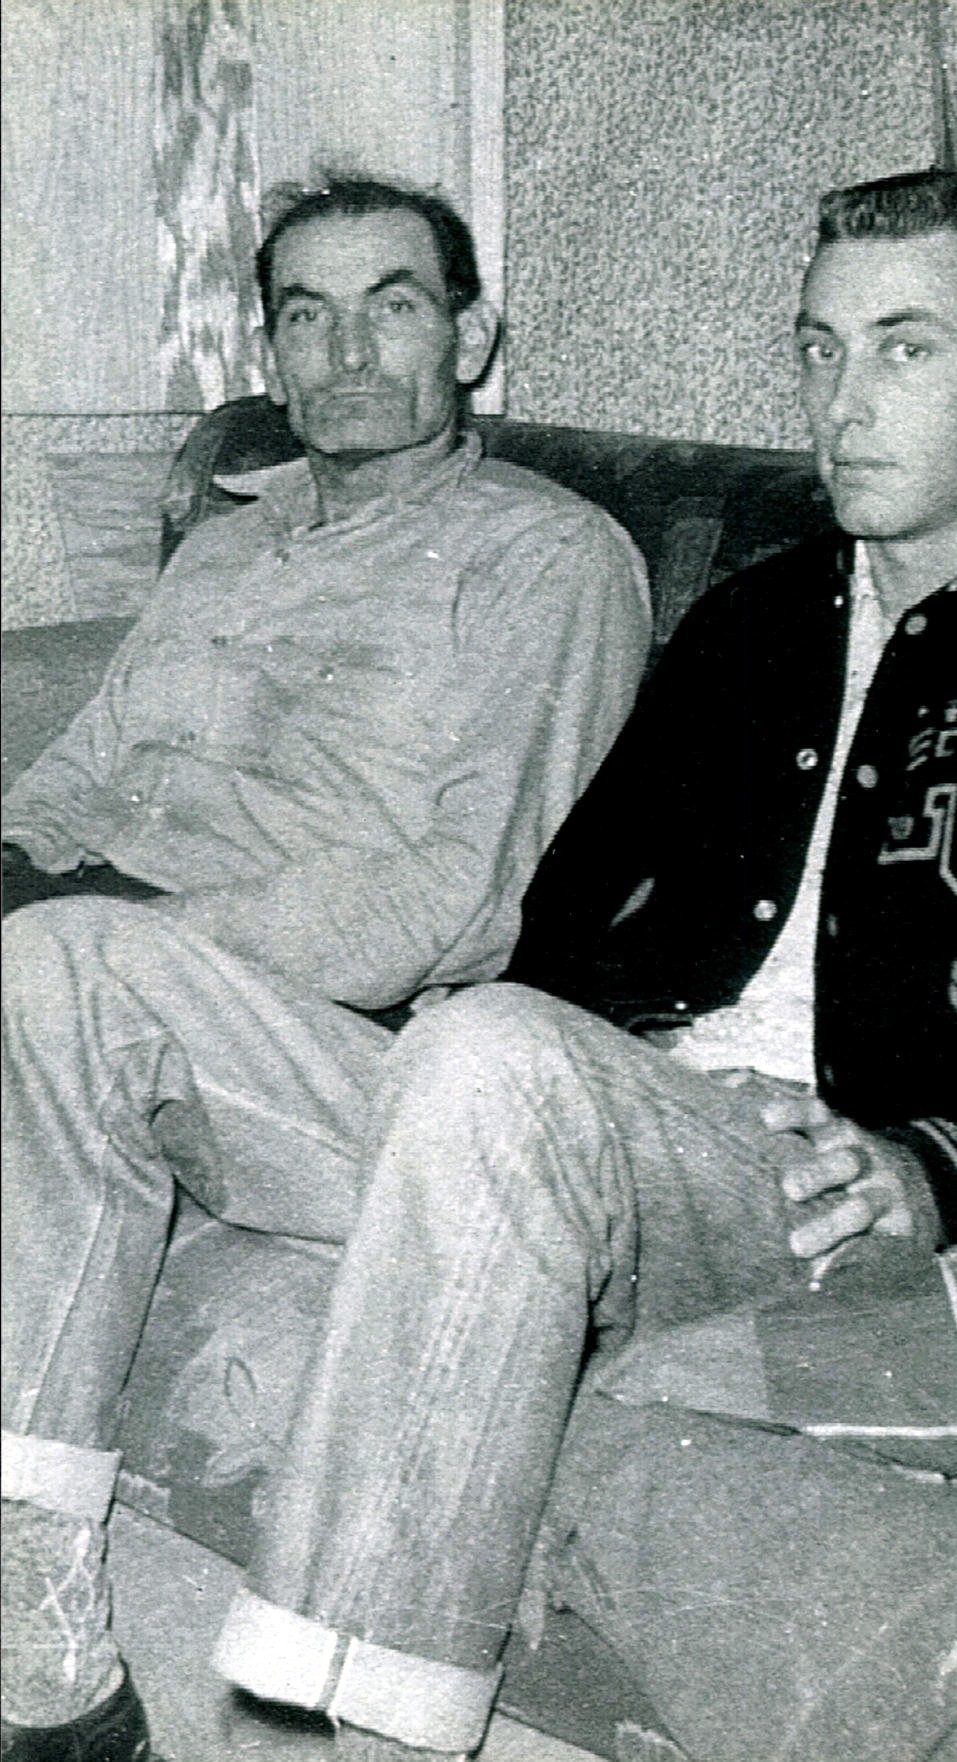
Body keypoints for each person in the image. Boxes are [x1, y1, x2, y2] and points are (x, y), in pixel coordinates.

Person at [197, 167, 957, 1758]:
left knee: (488, 1059)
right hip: (633, 1123)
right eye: (815, 349)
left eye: (903, 349)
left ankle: (329, 1727)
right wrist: (607, 1060)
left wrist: (947, 1168)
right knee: (162, 985)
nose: (841, 404)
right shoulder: (753, 621)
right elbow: (564, 918)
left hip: (839, 1181)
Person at [0, 175, 649, 1760]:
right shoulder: (225, 545)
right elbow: (74, 781)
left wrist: (121, 927)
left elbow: (459, 895)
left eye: (392, 305)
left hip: (349, 1056)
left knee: (66, 963)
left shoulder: (545, 557)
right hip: (107, 956)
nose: (347, 350)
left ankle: (40, 1654)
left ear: (469, 336)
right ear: (272, 352)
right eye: (307, 314)